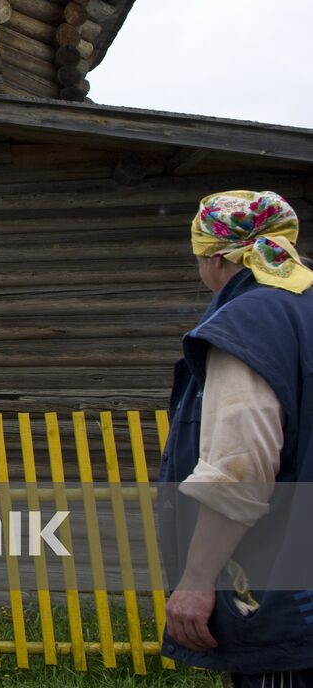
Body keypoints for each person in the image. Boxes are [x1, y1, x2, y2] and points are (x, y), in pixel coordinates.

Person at [159, 190, 313, 682]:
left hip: (281, 590)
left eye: (200, 258)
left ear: (218, 257)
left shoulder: (248, 323)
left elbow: (239, 469)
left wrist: (198, 580)